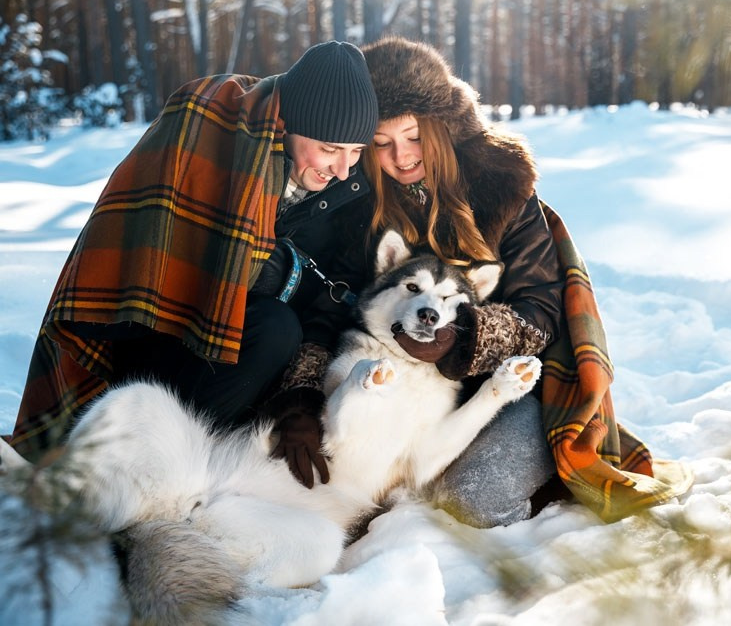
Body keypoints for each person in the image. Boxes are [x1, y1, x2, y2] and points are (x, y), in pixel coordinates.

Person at [8, 40, 380, 463]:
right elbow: (153, 246)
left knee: (279, 328)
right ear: (290, 125)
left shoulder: (342, 193)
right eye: (330, 149)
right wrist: (254, 269)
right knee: (274, 327)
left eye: (356, 151)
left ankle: (192, 459)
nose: (343, 169)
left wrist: (284, 280)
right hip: (152, 335)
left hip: (236, 364)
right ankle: (151, 460)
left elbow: (324, 300)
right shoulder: (214, 128)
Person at [269, 36, 566, 527]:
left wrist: (464, 338)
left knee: (469, 502)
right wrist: (299, 399)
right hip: (404, 403)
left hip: (500, 389)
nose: (401, 156)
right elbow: (327, 307)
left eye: (412, 136)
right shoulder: (362, 206)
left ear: (440, 128)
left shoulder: (502, 186)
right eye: (381, 143)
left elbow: (542, 310)